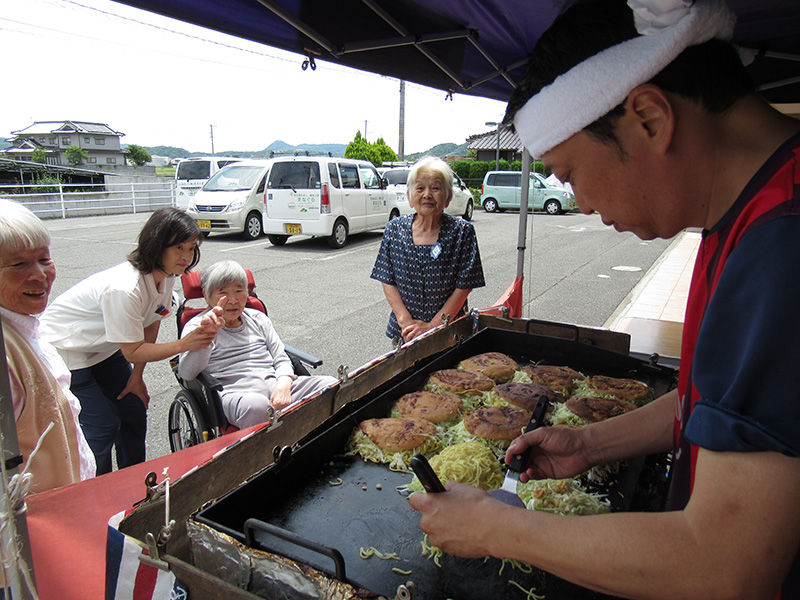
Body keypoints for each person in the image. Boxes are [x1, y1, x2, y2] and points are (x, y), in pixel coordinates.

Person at [409, 0, 800, 598]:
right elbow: (724, 408)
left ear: (648, 117)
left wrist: (498, 527)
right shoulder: (749, 213)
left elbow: (724, 566)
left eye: (568, 175)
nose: (581, 204)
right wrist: (588, 442)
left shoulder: (782, 243)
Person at [39, 208, 217, 474]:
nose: (187, 256)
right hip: (67, 350)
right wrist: (185, 344)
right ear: (157, 244)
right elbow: (133, 351)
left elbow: (155, 318)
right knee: (102, 426)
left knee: (134, 409)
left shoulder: (167, 276)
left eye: (191, 248)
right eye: (179, 247)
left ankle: (134, 483)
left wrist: (137, 377)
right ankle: (95, 490)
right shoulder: (125, 288)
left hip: (105, 348)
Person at [0, 198, 95, 493]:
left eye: (44, 259)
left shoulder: (24, 324)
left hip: (68, 500)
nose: (40, 275)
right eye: (18, 264)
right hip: (33, 525)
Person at [177, 260, 338, 429]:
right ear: (207, 296)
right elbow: (187, 373)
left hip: (274, 384)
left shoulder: (257, 318)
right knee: (257, 406)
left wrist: (283, 386)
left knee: (330, 385)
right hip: (234, 394)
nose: (232, 300)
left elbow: (281, 357)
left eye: (239, 290)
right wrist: (206, 338)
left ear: (247, 293)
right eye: (223, 292)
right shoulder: (197, 326)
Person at [371, 157, 485, 343]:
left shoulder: (462, 232)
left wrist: (433, 326)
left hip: (450, 331)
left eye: (436, 188)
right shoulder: (394, 230)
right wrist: (405, 321)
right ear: (409, 196)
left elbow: (465, 286)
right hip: (406, 332)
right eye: (420, 188)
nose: (427, 194)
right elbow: (387, 278)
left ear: (447, 197)